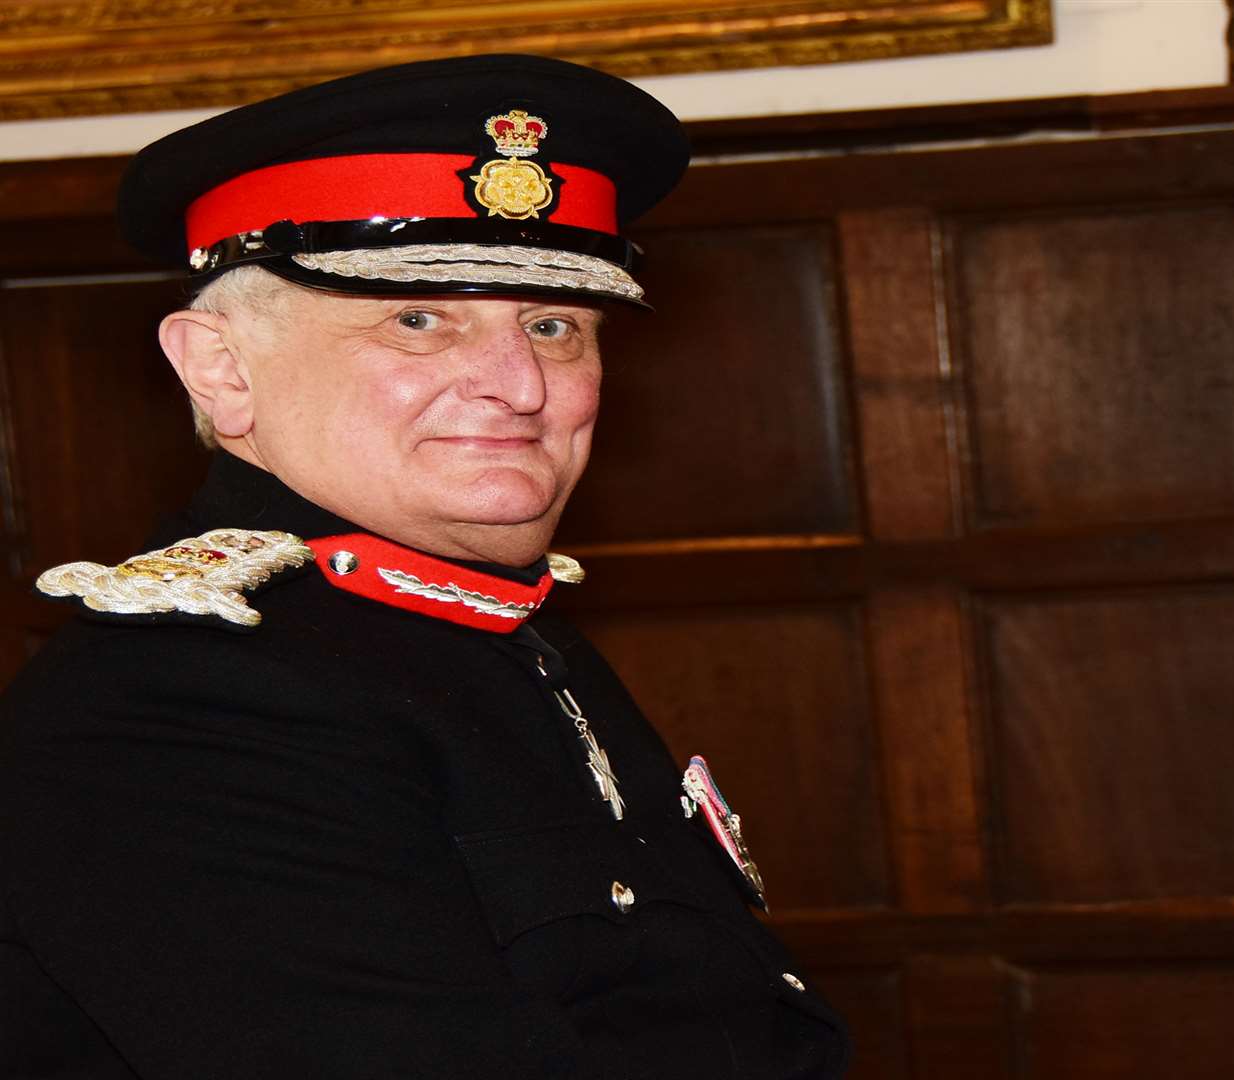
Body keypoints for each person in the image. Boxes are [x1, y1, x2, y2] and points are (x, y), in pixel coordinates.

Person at [0, 54, 849, 1078]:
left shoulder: (498, 631)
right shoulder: (178, 700)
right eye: (419, 319)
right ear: (221, 371)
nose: (519, 385)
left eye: (553, 326)